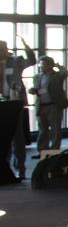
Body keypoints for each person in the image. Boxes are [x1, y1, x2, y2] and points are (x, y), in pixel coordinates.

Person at [1, 36, 36, 177]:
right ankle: (5, 165)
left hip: (14, 102)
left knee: (17, 135)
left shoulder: (16, 61)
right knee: (3, 136)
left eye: (2, 49)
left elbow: (32, 61)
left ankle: (20, 165)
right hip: (1, 103)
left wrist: (26, 47)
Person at [30, 56, 68, 153]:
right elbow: (36, 88)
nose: (41, 66)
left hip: (53, 106)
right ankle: (42, 150)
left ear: (50, 65)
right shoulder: (37, 77)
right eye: (40, 64)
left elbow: (65, 71)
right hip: (41, 105)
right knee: (43, 130)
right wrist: (33, 90)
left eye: (43, 64)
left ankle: (54, 150)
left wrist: (57, 66)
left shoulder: (57, 76)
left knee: (55, 129)